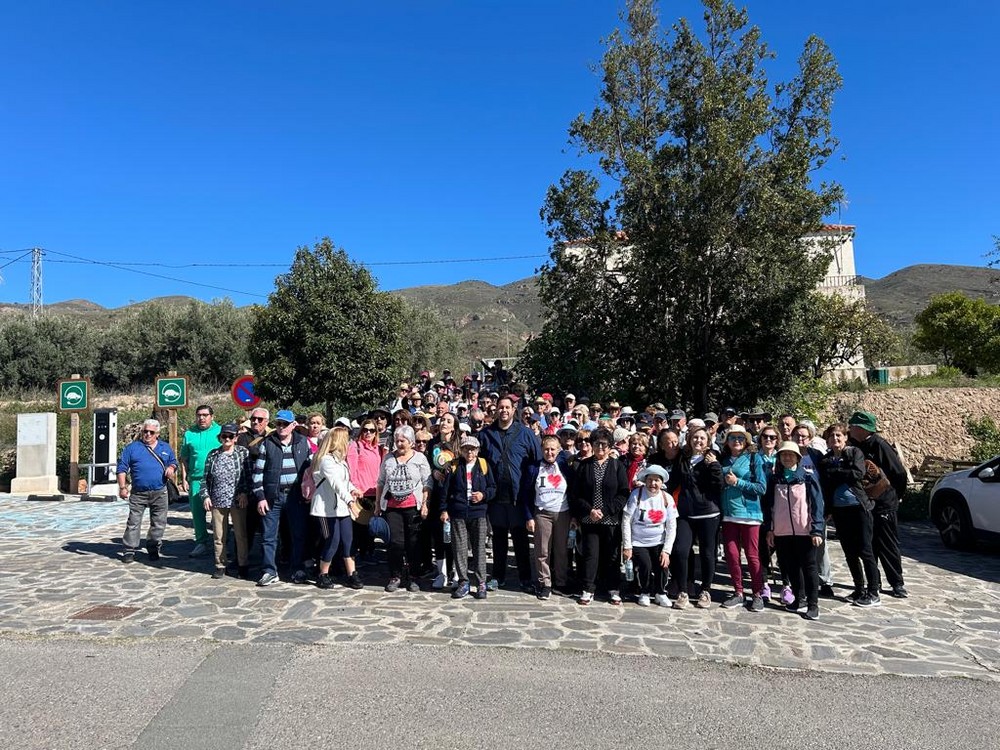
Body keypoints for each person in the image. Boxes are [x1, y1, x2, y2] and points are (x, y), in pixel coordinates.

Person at [479, 396, 542, 593]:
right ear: (496, 410)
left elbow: (536, 460)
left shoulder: (525, 434)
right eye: (501, 407)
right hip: (496, 497)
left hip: (519, 496)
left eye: (508, 407)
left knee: (520, 539)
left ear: (514, 410)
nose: (504, 410)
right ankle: (497, 577)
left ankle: (525, 578)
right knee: (498, 539)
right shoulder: (486, 434)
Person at [848, 410, 909, 598]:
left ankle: (896, 582)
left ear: (862, 429)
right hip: (865, 504)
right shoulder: (854, 446)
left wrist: (895, 495)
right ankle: (873, 582)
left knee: (888, 543)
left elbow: (899, 473)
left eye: (853, 426)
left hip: (884, 503)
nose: (850, 429)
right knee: (868, 545)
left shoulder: (880, 445)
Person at [819, 423, 881, 607]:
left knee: (865, 550)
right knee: (849, 552)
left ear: (845, 437)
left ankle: (873, 591)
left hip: (858, 507)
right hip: (839, 510)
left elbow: (857, 473)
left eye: (839, 435)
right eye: (831, 437)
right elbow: (827, 480)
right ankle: (859, 588)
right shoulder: (826, 459)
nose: (835, 439)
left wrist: (836, 472)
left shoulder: (855, 453)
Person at [764, 441, 825, 620]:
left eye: (791, 454)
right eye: (783, 454)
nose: (787, 457)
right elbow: (770, 507)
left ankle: (813, 604)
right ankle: (799, 599)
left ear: (798, 457)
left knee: (809, 567)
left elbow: (816, 504)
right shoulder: (775, 479)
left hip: (805, 531)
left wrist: (817, 529)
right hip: (782, 532)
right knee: (790, 567)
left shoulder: (807, 477)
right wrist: (770, 529)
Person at [569, 428, 629, 605]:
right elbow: (575, 494)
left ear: (610, 446)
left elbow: (624, 493)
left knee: (611, 555)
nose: (600, 447)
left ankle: (613, 588)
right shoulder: (584, 466)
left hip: (610, 519)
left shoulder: (618, 466)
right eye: (596, 444)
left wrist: (607, 510)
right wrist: (589, 511)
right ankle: (588, 588)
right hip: (590, 519)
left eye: (604, 444)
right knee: (590, 554)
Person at [252, 410, 311, 587]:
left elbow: (310, 471)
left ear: (294, 425)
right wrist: (260, 497)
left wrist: (309, 492)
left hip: (296, 496)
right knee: (269, 536)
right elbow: (258, 474)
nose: (281, 427)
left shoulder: (302, 442)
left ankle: (297, 568)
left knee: (298, 534)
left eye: (285, 424)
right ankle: (269, 571)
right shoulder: (267, 444)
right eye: (278, 424)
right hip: (273, 496)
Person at [666, 426, 723, 609]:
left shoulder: (712, 459)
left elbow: (719, 485)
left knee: (707, 553)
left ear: (708, 441)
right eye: (695, 437)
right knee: (681, 550)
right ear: (689, 439)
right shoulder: (683, 458)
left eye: (702, 438)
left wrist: (714, 465)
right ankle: (683, 590)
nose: (698, 441)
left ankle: (705, 590)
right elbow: (673, 480)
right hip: (685, 512)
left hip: (708, 512)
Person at [376, 425, 432, 593]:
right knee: (395, 543)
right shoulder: (388, 459)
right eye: (397, 440)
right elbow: (380, 482)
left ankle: (414, 576)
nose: (399, 444)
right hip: (392, 507)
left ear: (411, 442)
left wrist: (424, 504)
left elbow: (427, 483)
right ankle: (395, 575)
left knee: (413, 543)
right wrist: (378, 504)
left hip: (412, 507)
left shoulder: (420, 458)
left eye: (403, 441)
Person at [718, 425, 768, 611]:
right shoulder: (722, 460)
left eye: (740, 437)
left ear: (746, 440)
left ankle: (757, 593)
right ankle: (739, 592)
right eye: (733, 437)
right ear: (727, 441)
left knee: (752, 556)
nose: (737, 441)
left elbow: (761, 488)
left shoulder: (755, 459)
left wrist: (737, 482)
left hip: (750, 515)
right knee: (731, 555)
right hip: (729, 514)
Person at [440, 435, 496, 599]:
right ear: (461, 450)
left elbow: (493, 487)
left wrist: (483, 495)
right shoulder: (454, 466)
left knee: (479, 548)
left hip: (478, 512)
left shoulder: (484, 465)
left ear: (477, 450)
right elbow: (446, 490)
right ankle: (464, 581)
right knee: (460, 548)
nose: (469, 451)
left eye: (472, 449)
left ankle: (480, 583)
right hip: (458, 512)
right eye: (466, 448)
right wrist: (444, 510)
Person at [116, 419, 177, 564]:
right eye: (145, 431)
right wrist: (123, 487)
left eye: (151, 432)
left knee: (159, 522)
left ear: (157, 434)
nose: (148, 434)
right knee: (133, 522)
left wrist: (171, 468)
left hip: (159, 491)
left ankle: (153, 547)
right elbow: (122, 468)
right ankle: (129, 550)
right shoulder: (132, 448)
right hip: (138, 493)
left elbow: (173, 462)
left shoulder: (165, 447)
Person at [310, 426, 364, 590]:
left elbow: (345, 482)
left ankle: (351, 574)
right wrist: (350, 501)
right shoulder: (326, 460)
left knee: (348, 541)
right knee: (332, 541)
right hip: (326, 510)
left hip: (341, 508)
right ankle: (323, 574)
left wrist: (353, 489)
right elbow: (336, 483)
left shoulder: (341, 461)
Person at [525, 434, 575, 600]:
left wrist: (574, 515)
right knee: (542, 550)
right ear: (541, 450)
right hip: (542, 513)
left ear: (559, 450)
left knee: (561, 549)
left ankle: (560, 582)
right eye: (546, 449)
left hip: (563, 512)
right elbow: (526, 493)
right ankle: (544, 583)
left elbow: (573, 489)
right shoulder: (534, 468)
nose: (549, 452)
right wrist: (529, 516)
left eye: (553, 449)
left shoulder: (564, 466)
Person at [622, 465, 678, 607]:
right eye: (650, 480)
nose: (653, 484)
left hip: (659, 540)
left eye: (657, 480)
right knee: (645, 565)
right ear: (645, 480)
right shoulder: (637, 495)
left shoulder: (667, 498)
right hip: (639, 541)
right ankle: (644, 591)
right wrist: (627, 545)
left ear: (661, 482)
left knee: (662, 564)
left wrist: (667, 550)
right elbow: (626, 520)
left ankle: (660, 592)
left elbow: (672, 526)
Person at [200, 423, 250, 579]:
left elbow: (249, 476)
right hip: (217, 499)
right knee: (219, 535)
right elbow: (205, 477)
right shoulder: (213, 454)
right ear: (220, 437)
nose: (227, 439)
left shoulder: (243, 453)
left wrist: (244, 493)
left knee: (240, 535)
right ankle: (220, 565)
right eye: (224, 436)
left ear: (236, 438)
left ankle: (243, 565)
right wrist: (205, 496)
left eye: (230, 436)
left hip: (237, 500)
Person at [179, 404, 221, 557]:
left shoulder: (221, 432)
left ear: (212, 416)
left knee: (219, 513)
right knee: (197, 513)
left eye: (205, 415)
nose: (201, 418)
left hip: (216, 480)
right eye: (199, 415)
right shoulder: (189, 433)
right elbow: (184, 458)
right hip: (196, 479)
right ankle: (201, 543)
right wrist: (184, 478)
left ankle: (222, 543)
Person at [347, 417, 384, 561]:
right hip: (360, 493)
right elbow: (352, 469)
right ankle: (357, 557)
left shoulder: (377, 449)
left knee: (370, 528)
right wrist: (355, 490)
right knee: (359, 528)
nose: (368, 433)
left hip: (374, 492)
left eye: (372, 430)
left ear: (376, 433)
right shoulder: (355, 447)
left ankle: (369, 552)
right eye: (365, 430)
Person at [237, 407, 270, 559]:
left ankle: (268, 560)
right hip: (248, 488)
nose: (256, 422)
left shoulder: (272, 437)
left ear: (267, 422)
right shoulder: (243, 437)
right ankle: (242, 560)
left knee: (268, 529)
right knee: (246, 528)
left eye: (260, 419)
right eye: (253, 419)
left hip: (266, 489)